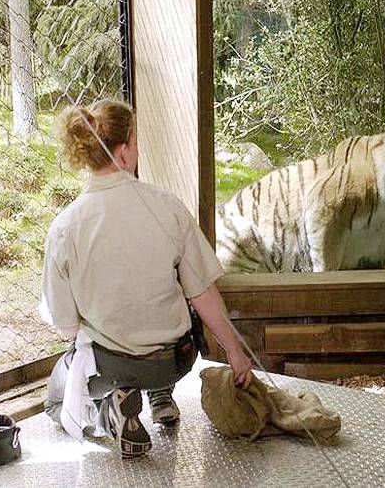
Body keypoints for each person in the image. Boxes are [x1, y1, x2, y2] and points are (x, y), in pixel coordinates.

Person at [40, 99, 253, 457]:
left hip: (113, 365)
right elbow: (202, 292)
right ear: (124, 151)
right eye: (136, 142)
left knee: (55, 402)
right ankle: (160, 397)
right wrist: (235, 350)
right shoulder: (168, 206)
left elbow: (67, 327)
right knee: (162, 299)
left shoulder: (64, 227)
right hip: (174, 360)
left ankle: (111, 411)